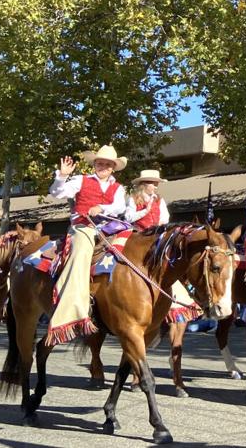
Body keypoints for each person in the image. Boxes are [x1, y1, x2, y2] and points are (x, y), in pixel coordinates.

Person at [46, 144, 128, 345]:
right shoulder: (80, 180)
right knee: (82, 248)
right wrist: (62, 176)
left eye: (107, 164)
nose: (103, 167)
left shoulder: (118, 188)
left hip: (109, 227)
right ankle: (73, 308)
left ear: (113, 168)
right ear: (94, 165)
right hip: (83, 226)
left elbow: (119, 207)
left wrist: (102, 208)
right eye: (100, 163)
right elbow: (57, 193)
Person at [123, 169, 198, 324]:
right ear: (144, 184)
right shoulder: (133, 198)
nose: (155, 186)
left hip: (157, 237)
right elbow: (128, 217)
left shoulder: (159, 200)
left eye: (156, 184)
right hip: (139, 237)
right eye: (153, 183)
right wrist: (145, 211)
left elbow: (165, 218)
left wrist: (160, 226)